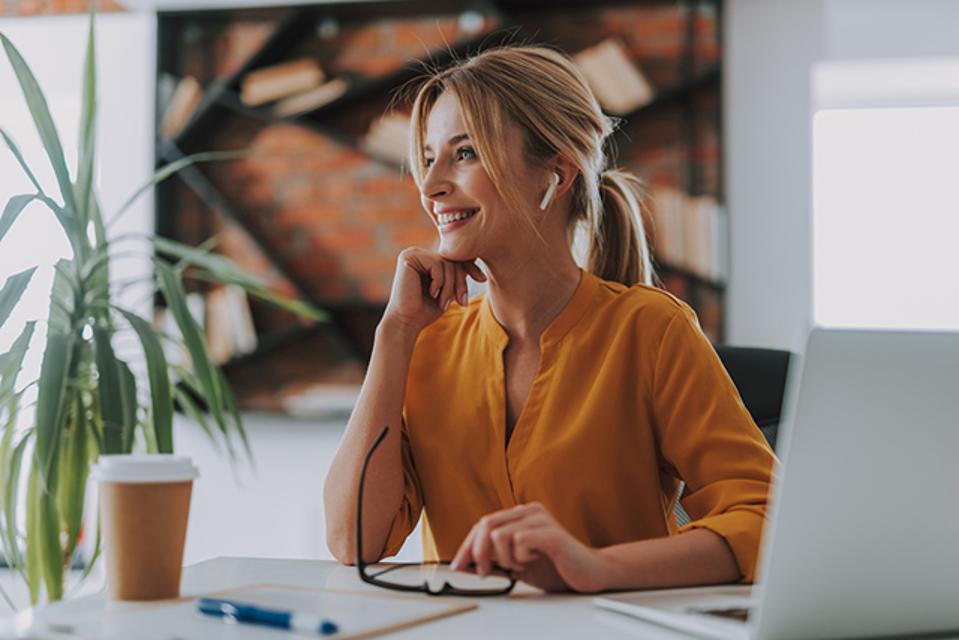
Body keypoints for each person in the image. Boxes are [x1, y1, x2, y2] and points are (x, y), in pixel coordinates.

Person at [323, 45, 776, 593]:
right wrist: (394, 333)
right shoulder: (428, 345)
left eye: (464, 154)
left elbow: (766, 517)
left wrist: (595, 569)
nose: (431, 184)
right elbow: (354, 542)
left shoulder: (651, 331)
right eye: (427, 157)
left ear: (556, 175)